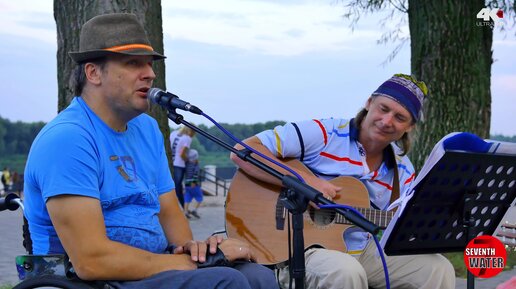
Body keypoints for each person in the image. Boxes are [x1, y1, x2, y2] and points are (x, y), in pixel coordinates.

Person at [23, 13, 278, 289]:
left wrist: (201, 250)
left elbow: (175, 227)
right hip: (82, 280)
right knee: (224, 280)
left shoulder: (147, 129)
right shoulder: (68, 139)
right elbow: (90, 261)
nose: (150, 74)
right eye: (133, 63)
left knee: (257, 276)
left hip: (146, 272)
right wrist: (200, 264)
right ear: (93, 72)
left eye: (149, 64)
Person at [231, 74, 456, 289]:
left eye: (400, 117)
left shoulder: (403, 169)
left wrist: (437, 225)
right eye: (383, 109)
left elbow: (400, 224)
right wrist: (306, 182)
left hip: (363, 251)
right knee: (346, 271)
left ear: (409, 127)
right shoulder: (323, 133)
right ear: (369, 102)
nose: (387, 121)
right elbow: (242, 150)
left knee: (437, 268)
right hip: (301, 248)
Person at [170, 126, 196, 208]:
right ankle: (182, 207)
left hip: (171, 162)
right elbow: (182, 154)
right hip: (179, 164)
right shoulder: (187, 138)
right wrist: (188, 160)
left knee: (173, 185)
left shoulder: (173, 133)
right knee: (178, 187)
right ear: (191, 131)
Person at [183, 149, 204, 219]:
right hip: (194, 184)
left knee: (187, 197)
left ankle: (185, 212)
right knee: (200, 197)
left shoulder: (186, 164)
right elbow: (196, 173)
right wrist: (194, 182)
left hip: (186, 184)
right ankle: (194, 210)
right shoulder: (196, 164)